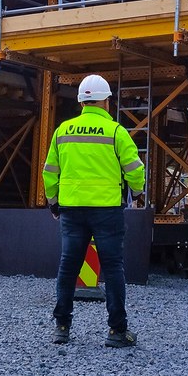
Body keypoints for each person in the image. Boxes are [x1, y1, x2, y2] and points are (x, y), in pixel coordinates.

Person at [42, 74, 145, 347]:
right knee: (112, 269)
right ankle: (117, 332)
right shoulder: (115, 132)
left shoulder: (63, 131)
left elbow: (49, 171)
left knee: (68, 267)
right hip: (107, 211)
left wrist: (53, 203)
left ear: (81, 101)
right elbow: (135, 170)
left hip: (72, 210)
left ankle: (61, 328)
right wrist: (135, 192)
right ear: (107, 102)